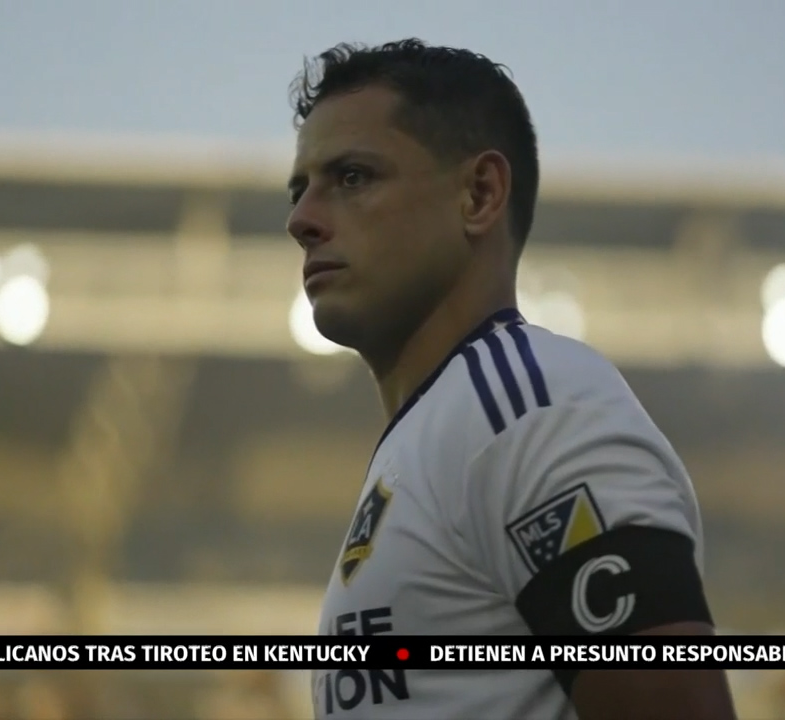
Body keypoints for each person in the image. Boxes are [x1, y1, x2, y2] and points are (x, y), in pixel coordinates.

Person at [286, 39, 737, 720]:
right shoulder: (436, 436)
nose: (302, 221)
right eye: (301, 189)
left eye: (352, 177)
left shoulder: (529, 407)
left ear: (479, 194)